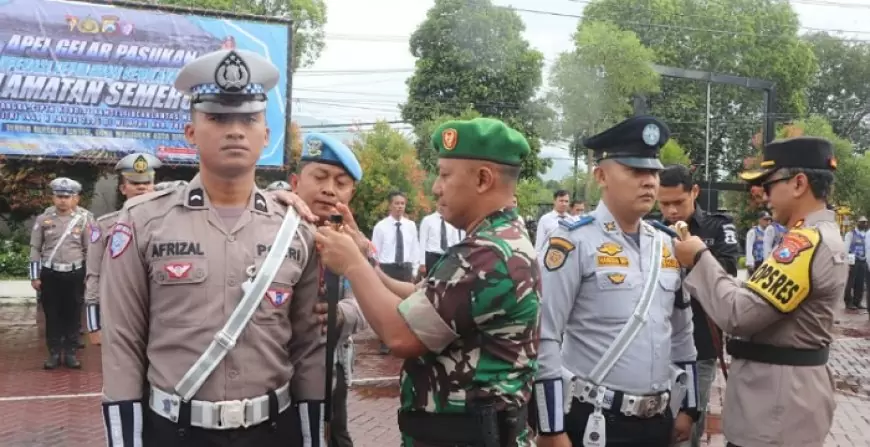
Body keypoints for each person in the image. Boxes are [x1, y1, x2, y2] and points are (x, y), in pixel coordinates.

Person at [98, 49, 326, 446]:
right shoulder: (143, 221)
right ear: (191, 133)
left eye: (249, 118)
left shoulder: (295, 229)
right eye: (218, 118)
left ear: (266, 135)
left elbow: (309, 347)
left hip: (274, 431)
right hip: (175, 431)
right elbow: (123, 343)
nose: (235, 130)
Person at [314, 117, 540, 446]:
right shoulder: (499, 240)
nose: (435, 186)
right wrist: (365, 256)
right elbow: (421, 298)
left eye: (445, 174)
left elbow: (401, 334)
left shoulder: (485, 254)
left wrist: (350, 265)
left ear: (482, 179)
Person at [533, 116, 699, 447]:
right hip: (595, 421)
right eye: (636, 171)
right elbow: (545, 336)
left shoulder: (667, 244)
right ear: (601, 175)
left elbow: (682, 332)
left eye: (653, 171)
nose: (650, 182)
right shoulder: (571, 242)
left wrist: (690, 407)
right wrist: (551, 428)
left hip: (658, 421)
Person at [673, 136, 847, 447]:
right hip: (784, 401)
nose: (763, 196)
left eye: (768, 185)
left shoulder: (803, 243)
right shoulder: (820, 236)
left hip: (775, 410)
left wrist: (700, 258)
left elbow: (739, 314)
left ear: (799, 183)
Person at [290, 131, 370, 447]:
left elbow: (366, 303)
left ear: (351, 193)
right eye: (319, 177)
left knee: (334, 435)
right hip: (272, 367)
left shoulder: (356, 242)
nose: (328, 189)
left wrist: (339, 313)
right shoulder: (269, 227)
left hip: (329, 363)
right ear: (295, 183)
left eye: (341, 182)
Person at [658, 164, 740, 447]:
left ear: (694, 192)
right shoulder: (649, 230)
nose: (671, 211)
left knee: (689, 424)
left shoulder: (719, 226)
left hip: (700, 342)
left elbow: (729, 268)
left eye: (678, 202)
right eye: (664, 203)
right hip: (656, 341)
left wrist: (694, 254)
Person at [83, 153, 161, 346]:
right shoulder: (103, 226)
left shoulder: (170, 224)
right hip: (122, 311)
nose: (142, 187)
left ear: (154, 187)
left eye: (147, 182)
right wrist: (94, 325)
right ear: (123, 188)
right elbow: (94, 274)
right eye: (135, 183)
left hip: (161, 312)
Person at [29, 177, 93, 369]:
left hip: (74, 273)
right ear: (54, 198)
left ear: (75, 198)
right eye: (59, 196)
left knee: (73, 313)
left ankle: (71, 352)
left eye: (67, 196)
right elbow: (35, 248)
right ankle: (54, 353)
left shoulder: (82, 221)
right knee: (52, 314)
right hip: (50, 274)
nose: (63, 200)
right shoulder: (43, 220)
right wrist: (34, 275)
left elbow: (89, 249)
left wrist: (89, 276)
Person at [418, 207, 464, 272]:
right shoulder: (427, 220)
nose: (443, 206)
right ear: (437, 204)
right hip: (432, 257)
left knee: (443, 281)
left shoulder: (451, 220)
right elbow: (422, 242)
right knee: (430, 281)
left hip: (447, 258)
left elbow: (456, 242)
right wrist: (422, 263)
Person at [844, 216, 868, 309]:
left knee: (860, 282)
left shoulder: (865, 235)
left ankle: (857, 301)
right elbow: (846, 248)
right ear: (857, 223)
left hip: (862, 260)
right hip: (852, 260)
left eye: (865, 222)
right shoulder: (850, 234)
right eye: (862, 222)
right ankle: (848, 302)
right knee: (850, 282)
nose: (864, 224)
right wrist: (847, 262)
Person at [744, 212, 772, 276]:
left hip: (768, 263)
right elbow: (749, 247)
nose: (767, 222)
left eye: (769, 219)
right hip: (756, 263)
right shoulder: (753, 232)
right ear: (759, 220)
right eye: (765, 219)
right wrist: (750, 263)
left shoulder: (771, 233)